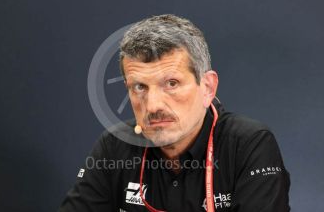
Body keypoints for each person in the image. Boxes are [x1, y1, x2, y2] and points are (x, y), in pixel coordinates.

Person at [58, 14, 290, 212]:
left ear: (207, 88)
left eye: (171, 83)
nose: (153, 106)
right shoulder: (114, 145)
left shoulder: (248, 144)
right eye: (139, 87)